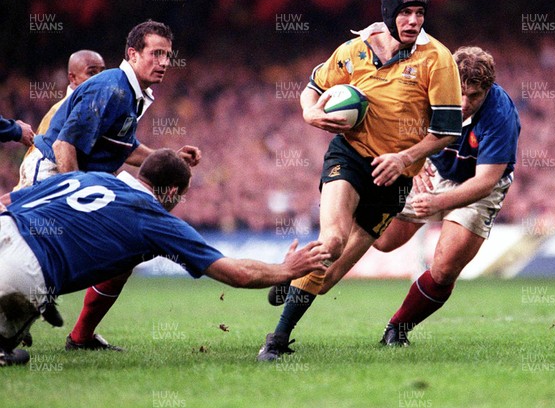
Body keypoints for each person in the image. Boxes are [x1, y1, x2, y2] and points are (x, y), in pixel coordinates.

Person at [257, 0, 463, 361]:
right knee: (331, 241)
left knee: (330, 275)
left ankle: (290, 276)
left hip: (395, 177)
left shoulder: (438, 59)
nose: (414, 21)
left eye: (420, 13)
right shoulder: (354, 51)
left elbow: (447, 131)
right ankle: (277, 341)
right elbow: (313, 87)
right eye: (405, 13)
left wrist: (404, 158)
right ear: (388, 15)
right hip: (350, 157)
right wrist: (310, 111)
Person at [0, 149, 330, 366]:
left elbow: (6, 200)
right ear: (171, 191)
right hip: (24, 270)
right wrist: (287, 269)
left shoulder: (93, 177)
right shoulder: (153, 218)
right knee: (11, 341)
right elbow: (236, 273)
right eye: (181, 197)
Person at [320, 46, 521, 346]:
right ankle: (308, 276)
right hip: (433, 170)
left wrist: (439, 203)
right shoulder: (428, 89)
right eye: (460, 94)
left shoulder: (500, 115)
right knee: (385, 241)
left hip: (476, 188)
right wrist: (415, 159)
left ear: (488, 89)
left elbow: (485, 182)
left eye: (475, 96)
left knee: (444, 268)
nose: (464, 104)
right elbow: (399, 127)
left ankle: (397, 330)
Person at [22, 20, 201, 351]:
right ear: (132, 54)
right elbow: (64, 145)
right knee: (38, 258)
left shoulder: (132, 92)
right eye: (156, 53)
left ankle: (80, 336)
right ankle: (15, 320)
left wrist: (168, 156)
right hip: (53, 172)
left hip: (87, 175)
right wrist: (70, 196)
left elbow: (125, 148)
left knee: (126, 250)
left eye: (168, 55)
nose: (164, 62)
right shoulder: (112, 88)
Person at [14, 49, 106, 191]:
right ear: (72, 78)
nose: (100, 78)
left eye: (103, 72)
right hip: (43, 185)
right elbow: (39, 156)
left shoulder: (96, 109)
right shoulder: (58, 112)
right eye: (92, 73)